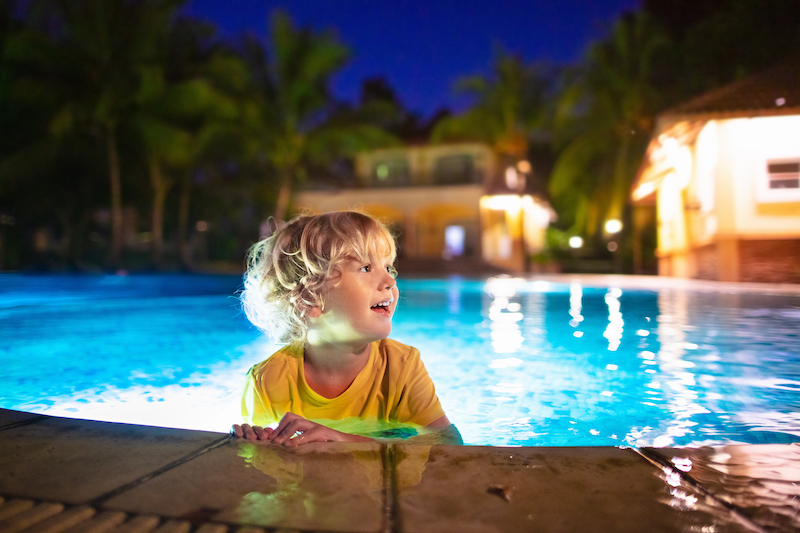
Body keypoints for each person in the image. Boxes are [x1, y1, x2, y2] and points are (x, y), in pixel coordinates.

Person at [231, 211, 457, 446]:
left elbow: (449, 445)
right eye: (366, 268)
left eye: (388, 268)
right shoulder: (267, 381)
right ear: (310, 299)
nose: (390, 282)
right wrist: (253, 438)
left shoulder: (401, 367)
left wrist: (342, 439)